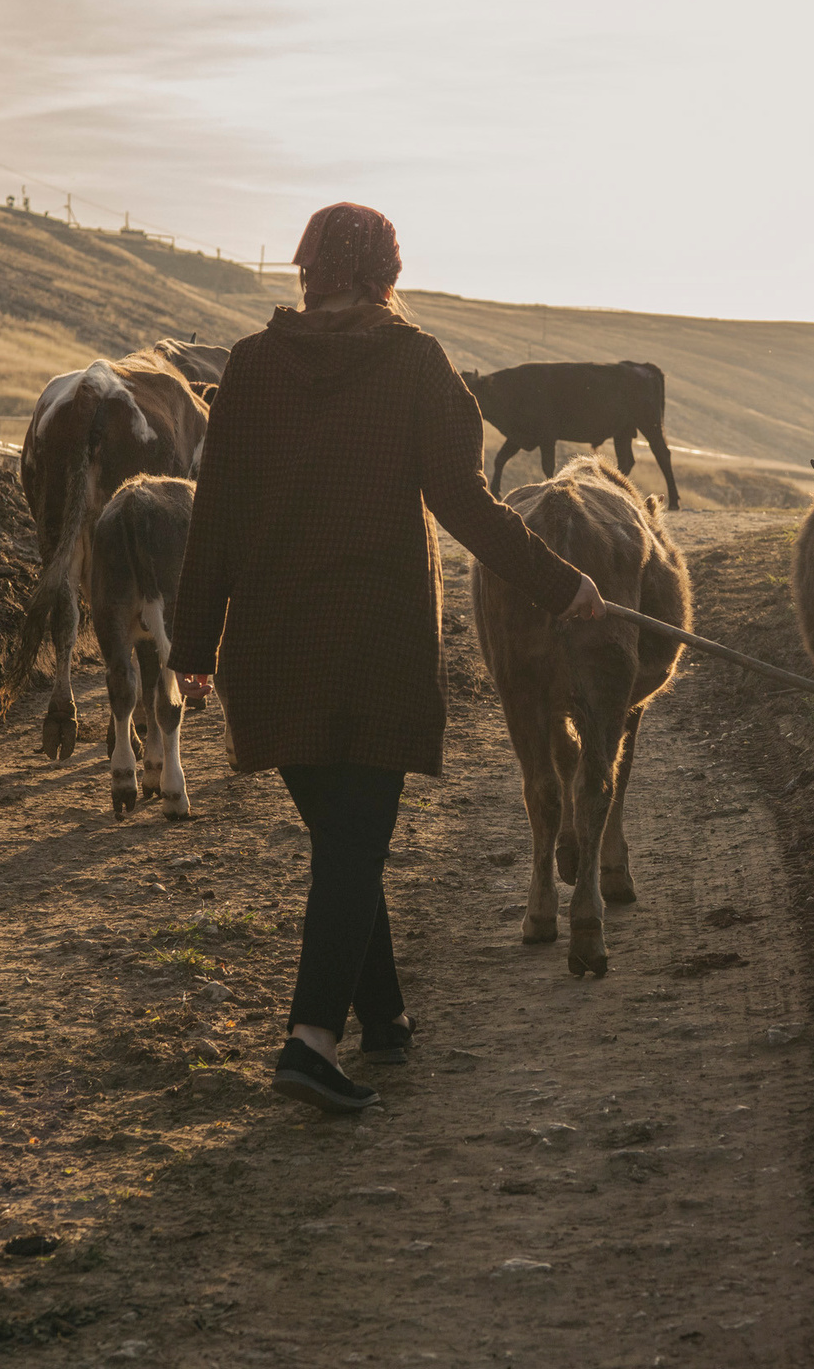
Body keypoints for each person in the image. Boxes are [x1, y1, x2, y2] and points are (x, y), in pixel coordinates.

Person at [168, 201, 603, 1113]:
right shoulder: (415, 364)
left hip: (271, 652)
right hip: (373, 646)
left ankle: (385, 1015)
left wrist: (195, 643)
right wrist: (563, 585)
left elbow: (216, 512)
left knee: (343, 839)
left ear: (307, 269)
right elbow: (467, 503)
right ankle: (310, 1041)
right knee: (356, 843)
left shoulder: (249, 366)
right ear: (386, 275)